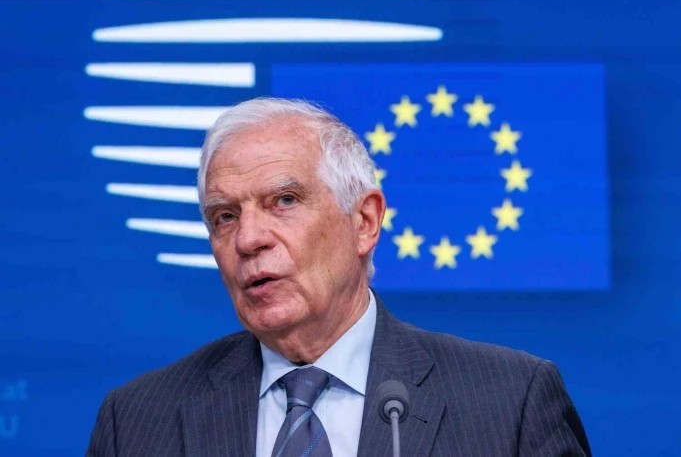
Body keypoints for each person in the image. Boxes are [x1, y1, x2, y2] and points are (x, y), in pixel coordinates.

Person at [87, 97, 591, 457]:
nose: (248, 239)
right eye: (225, 216)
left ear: (364, 221)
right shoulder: (135, 422)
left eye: (284, 201)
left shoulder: (509, 403)